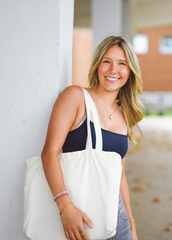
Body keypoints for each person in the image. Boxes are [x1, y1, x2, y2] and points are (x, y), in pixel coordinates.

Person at [41, 35, 144, 240]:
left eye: (122, 63)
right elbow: (49, 153)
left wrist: (131, 224)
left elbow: (120, 176)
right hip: (78, 216)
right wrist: (66, 207)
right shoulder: (76, 97)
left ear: (130, 72)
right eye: (107, 61)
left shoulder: (124, 115)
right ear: (97, 65)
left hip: (117, 220)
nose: (113, 70)